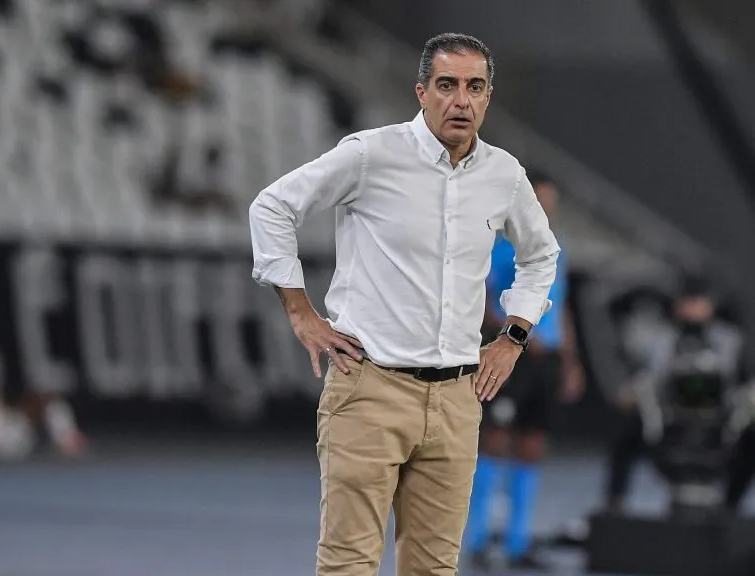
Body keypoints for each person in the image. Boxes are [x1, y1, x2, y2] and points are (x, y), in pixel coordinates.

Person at [248, 33, 560, 576]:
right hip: (370, 387)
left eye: (474, 87)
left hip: (458, 398)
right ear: (421, 91)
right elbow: (273, 206)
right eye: (446, 85)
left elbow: (541, 255)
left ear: (488, 98)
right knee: (349, 564)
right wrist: (300, 310)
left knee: (435, 569)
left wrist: (513, 337)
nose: (460, 100)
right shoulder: (371, 154)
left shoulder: (504, 175)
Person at [464, 170, 585, 569]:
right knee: (496, 440)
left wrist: (569, 361)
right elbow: (480, 299)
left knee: (533, 445)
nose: (544, 208)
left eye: (549, 201)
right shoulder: (499, 246)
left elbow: (561, 305)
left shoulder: (557, 248)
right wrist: (515, 335)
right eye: (538, 199)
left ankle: (517, 542)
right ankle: (479, 538)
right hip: (510, 355)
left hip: (546, 360)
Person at [604, 276, 754, 514]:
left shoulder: (731, 340)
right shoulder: (660, 339)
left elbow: (743, 383)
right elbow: (643, 378)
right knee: (625, 431)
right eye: (688, 301)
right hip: (668, 419)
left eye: (698, 302)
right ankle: (614, 504)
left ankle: (730, 507)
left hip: (720, 421)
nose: (693, 308)